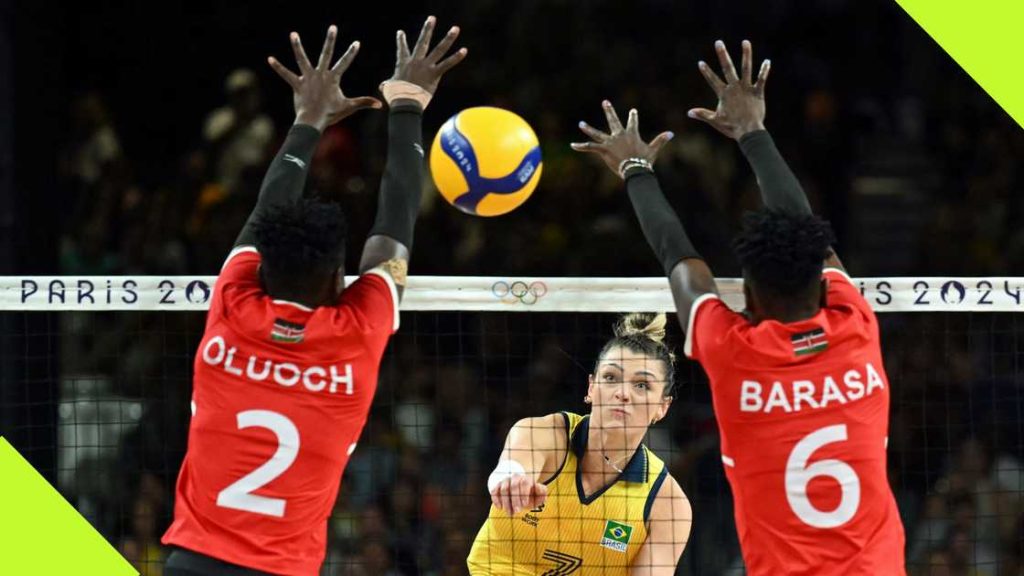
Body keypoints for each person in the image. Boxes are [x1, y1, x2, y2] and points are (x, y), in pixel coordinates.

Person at [571, 41, 905, 575]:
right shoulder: (854, 326)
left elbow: (678, 260)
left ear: (747, 296)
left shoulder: (738, 352)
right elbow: (695, 260)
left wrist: (636, 167)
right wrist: (753, 131)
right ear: (822, 286)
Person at [161, 18, 467, 576]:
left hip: (193, 563)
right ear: (337, 279)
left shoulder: (231, 309)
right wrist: (401, 104)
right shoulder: (356, 331)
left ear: (261, 267)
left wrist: (317, 118)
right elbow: (397, 216)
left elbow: (267, 213)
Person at [467, 313, 692, 575]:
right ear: (591, 388)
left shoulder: (668, 504)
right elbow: (511, 468)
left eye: (642, 385)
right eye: (610, 378)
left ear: (662, 408)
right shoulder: (543, 434)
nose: (622, 393)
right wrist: (511, 482)